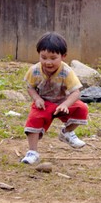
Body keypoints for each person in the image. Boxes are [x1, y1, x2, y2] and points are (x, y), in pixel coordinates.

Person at [21, 32, 89, 165]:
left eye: (53, 58)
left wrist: (66, 104)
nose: (48, 62)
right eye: (44, 57)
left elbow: (76, 92)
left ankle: (67, 133)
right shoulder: (34, 70)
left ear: (63, 56)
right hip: (44, 103)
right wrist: (36, 99)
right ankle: (32, 151)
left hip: (62, 102)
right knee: (34, 119)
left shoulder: (66, 72)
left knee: (82, 108)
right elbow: (30, 87)